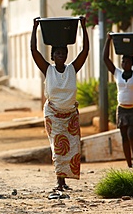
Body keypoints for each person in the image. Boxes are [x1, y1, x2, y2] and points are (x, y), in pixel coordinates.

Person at [30, 16, 89, 192]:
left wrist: (83, 27)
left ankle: (65, 180)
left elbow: (85, 50)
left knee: (72, 148)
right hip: (53, 114)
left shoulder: (72, 69)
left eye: (63, 53)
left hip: (70, 115)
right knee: (58, 147)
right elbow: (33, 50)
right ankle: (59, 182)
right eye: (57, 54)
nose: (61, 56)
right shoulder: (48, 69)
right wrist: (35, 28)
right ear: (53, 56)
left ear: (66, 55)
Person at [103, 33, 133, 168]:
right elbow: (105, 58)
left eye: (128, 62)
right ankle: (129, 164)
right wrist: (109, 41)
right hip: (122, 109)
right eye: (123, 62)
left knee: (132, 134)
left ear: (132, 63)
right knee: (124, 136)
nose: (125, 64)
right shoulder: (117, 73)